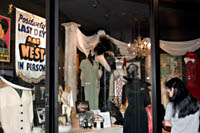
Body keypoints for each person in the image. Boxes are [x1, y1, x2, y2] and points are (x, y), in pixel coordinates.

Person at [122, 63, 151, 133]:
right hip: (141, 113)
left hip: (130, 113)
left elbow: (123, 102)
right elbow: (148, 102)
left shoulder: (125, 86)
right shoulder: (144, 85)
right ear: (137, 72)